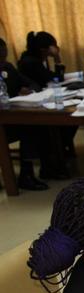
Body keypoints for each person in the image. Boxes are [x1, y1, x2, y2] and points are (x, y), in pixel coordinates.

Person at [0, 37, 56, 190]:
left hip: (12, 117)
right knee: (28, 129)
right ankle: (26, 175)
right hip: (3, 123)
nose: (2, 61)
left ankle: (46, 167)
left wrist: (28, 89)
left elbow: (33, 83)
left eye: (4, 55)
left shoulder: (8, 68)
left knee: (39, 125)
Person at [17, 31, 78, 164]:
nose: (56, 49)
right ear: (44, 49)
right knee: (70, 117)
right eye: (54, 46)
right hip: (34, 107)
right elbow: (55, 79)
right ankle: (56, 152)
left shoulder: (37, 59)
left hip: (43, 99)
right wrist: (57, 59)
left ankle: (60, 149)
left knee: (73, 115)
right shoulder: (30, 62)